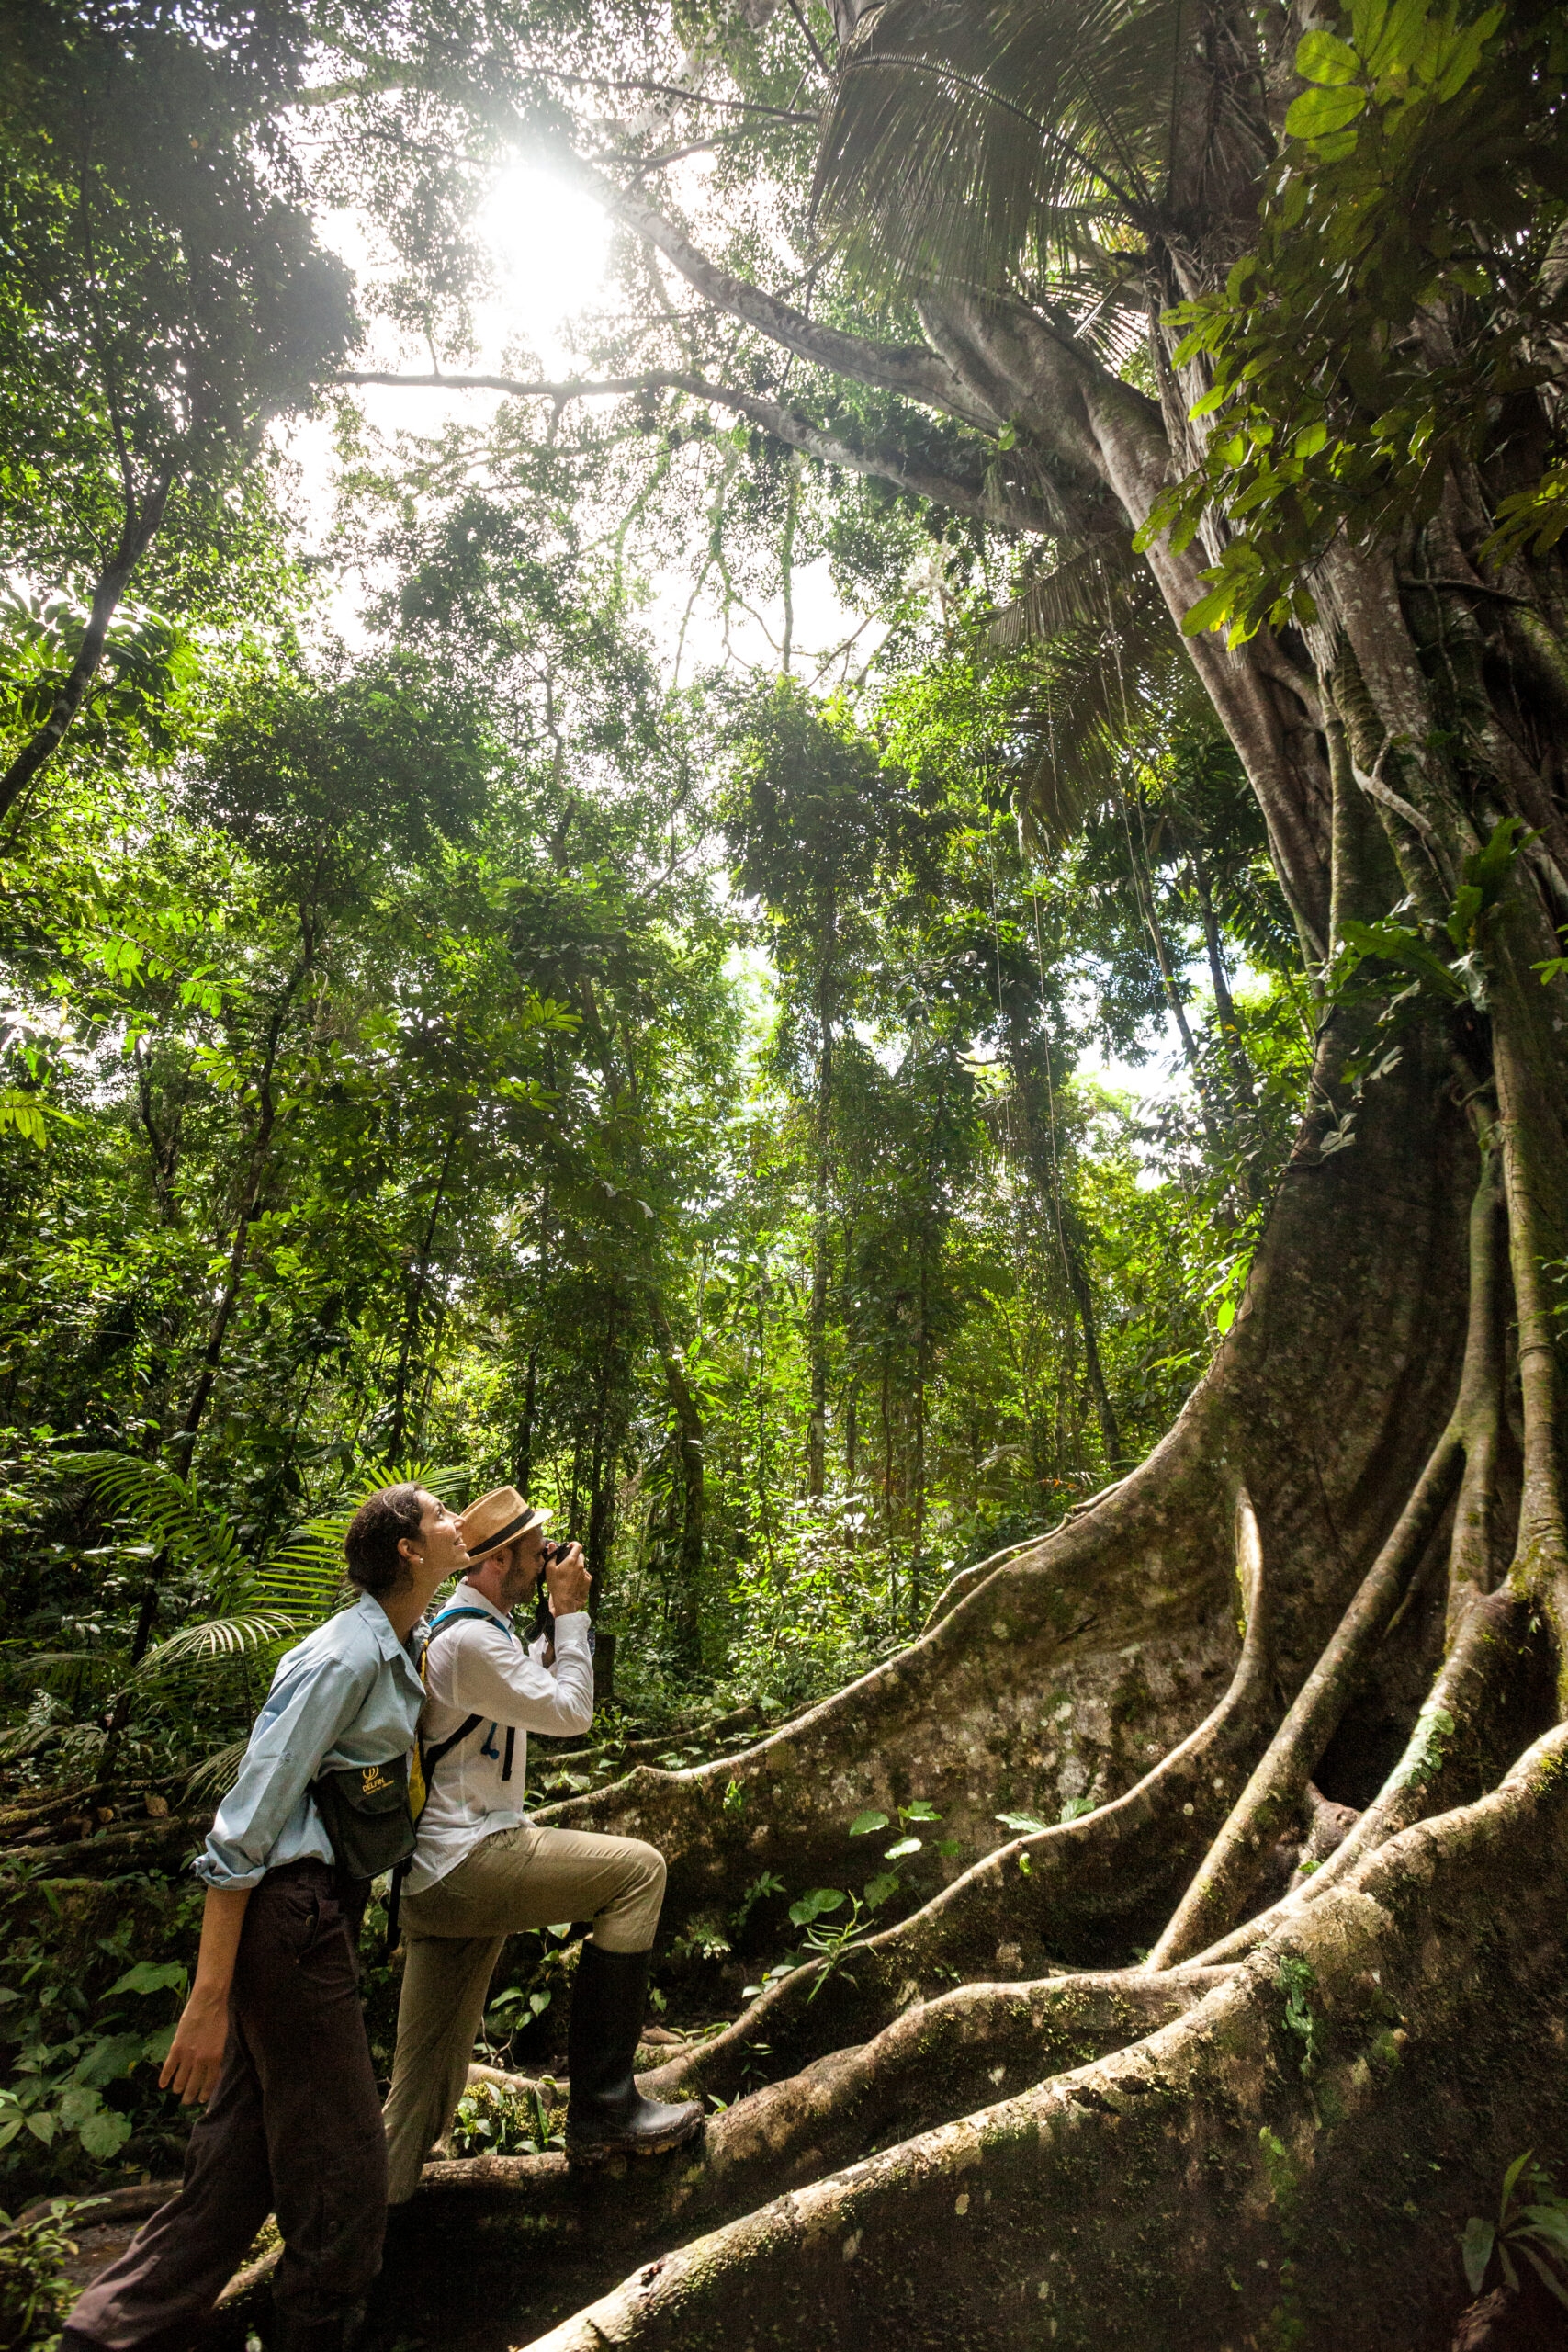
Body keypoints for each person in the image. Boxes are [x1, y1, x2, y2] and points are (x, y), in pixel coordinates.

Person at [62, 1485, 467, 2352]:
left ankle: (107, 2333)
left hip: (316, 1917)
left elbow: (471, 1605)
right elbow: (241, 1831)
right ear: (404, 1548)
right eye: (441, 1517)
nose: (456, 1523)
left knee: (238, 2166)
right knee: (348, 2175)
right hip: (289, 1921)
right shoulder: (341, 1658)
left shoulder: (402, 1638)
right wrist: (208, 1999)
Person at [381, 1486, 701, 2196]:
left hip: (440, 1876)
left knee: (427, 2087)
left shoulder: (472, 1630)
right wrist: (571, 1612)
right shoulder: (466, 1641)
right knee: (638, 1873)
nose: (544, 1560)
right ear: (497, 1560)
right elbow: (571, 1712)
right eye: (533, 1551)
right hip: (467, 1862)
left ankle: (369, 2228)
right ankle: (603, 2107)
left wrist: (559, 1629)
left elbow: (533, 1679)